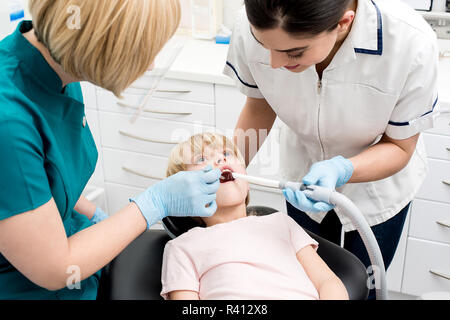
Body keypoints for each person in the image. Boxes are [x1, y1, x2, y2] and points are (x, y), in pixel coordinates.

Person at [0, 0, 222, 300]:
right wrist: (150, 205)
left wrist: (97, 216)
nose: (151, 65)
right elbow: (55, 268)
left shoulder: (60, 71)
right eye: (144, 50)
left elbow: (44, 180)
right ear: (100, 44)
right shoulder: (9, 120)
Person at [224, 0, 439, 299]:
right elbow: (259, 106)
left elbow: (400, 147)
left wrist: (343, 169)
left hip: (379, 189)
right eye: (264, 45)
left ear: (343, 23)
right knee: (305, 285)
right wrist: (230, 165)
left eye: (293, 52)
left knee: (365, 290)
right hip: (303, 178)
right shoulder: (254, 23)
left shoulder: (409, 42)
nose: (273, 63)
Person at [160, 133, 349, 300]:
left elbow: (328, 282)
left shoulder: (281, 223)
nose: (219, 159)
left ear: (247, 182)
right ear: (183, 196)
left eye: (226, 153)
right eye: (201, 159)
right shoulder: (182, 247)